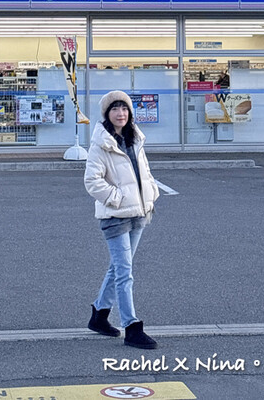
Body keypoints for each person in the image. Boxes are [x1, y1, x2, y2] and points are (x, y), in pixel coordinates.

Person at [84, 90, 160, 350]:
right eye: (115, 109)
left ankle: (99, 315)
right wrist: (117, 199)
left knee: (118, 268)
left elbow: (145, 172)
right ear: (107, 114)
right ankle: (132, 326)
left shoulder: (135, 138)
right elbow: (92, 181)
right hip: (116, 216)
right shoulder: (101, 143)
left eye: (124, 108)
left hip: (138, 212)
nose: (121, 113)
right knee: (125, 272)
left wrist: (151, 193)